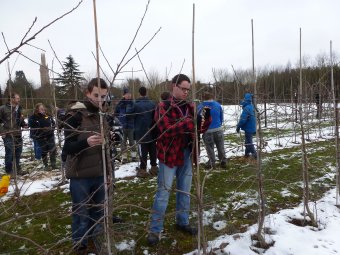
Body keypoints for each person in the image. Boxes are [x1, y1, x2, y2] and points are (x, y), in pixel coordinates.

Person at [147, 74, 211, 246]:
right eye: (182, 88)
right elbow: (166, 129)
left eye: (187, 90)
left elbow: (199, 129)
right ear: (173, 86)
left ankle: (182, 221)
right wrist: (191, 122)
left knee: (184, 190)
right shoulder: (163, 106)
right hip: (169, 155)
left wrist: (205, 119)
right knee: (163, 192)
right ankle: (155, 230)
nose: (185, 92)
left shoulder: (190, 107)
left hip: (186, 153)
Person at [63, 78, 111, 254]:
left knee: (98, 211)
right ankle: (80, 243)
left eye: (104, 96)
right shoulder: (75, 116)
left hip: (99, 172)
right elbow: (67, 147)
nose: (100, 100)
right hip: (80, 175)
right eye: (96, 95)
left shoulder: (102, 116)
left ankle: (96, 238)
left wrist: (108, 171)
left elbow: (106, 149)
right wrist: (86, 142)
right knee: (81, 212)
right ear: (87, 93)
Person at [0, 92, 28, 175]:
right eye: (17, 98)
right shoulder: (2, 109)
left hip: (18, 134)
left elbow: (20, 120)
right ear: (12, 99)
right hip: (8, 134)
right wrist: (2, 132)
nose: (19, 100)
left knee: (18, 152)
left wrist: (24, 125)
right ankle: (9, 171)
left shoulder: (19, 108)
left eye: (19, 98)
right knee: (9, 152)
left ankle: (17, 169)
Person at [198, 92, 227, 169]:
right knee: (220, 146)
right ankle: (223, 161)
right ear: (212, 97)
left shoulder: (201, 106)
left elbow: (199, 118)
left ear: (203, 98)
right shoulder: (217, 105)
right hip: (218, 129)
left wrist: (201, 128)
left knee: (210, 148)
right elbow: (221, 117)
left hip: (207, 131)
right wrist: (218, 125)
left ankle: (211, 162)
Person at [133, 86, 158, 178]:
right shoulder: (152, 104)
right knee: (152, 149)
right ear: (146, 92)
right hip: (151, 130)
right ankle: (154, 167)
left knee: (143, 151)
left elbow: (131, 116)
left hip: (140, 132)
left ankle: (143, 170)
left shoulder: (136, 105)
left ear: (139, 93)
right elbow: (155, 117)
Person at [28, 103, 57, 171]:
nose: (43, 110)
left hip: (50, 135)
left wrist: (51, 129)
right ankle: (46, 165)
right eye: (41, 108)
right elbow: (31, 125)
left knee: (52, 150)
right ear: (37, 109)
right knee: (44, 151)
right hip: (40, 136)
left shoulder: (48, 115)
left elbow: (53, 123)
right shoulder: (33, 117)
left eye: (43, 108)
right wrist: (41, 129)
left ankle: (53, 165)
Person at [114, 88, 137, 163]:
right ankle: (124, 158)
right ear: (123, 95)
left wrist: (131, 117)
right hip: (122, 126)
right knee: (123, 143)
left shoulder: (133, 103)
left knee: (132, 142)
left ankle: (133, 157)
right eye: (127, 94)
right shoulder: (120, 103)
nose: (129, 95)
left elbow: (135, 113)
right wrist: (120, 119)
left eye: (129, 94)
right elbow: (116, 113)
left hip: (131, 126)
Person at [236, 93, 257, 159]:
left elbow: (243, 120)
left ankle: (255, 154)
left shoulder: (246, 109)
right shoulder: (252, 106)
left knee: (249, 142)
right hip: (252, 127)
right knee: (247, 141)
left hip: (248, 128)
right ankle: (247, 153)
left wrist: (238, 126)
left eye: (244, 99)